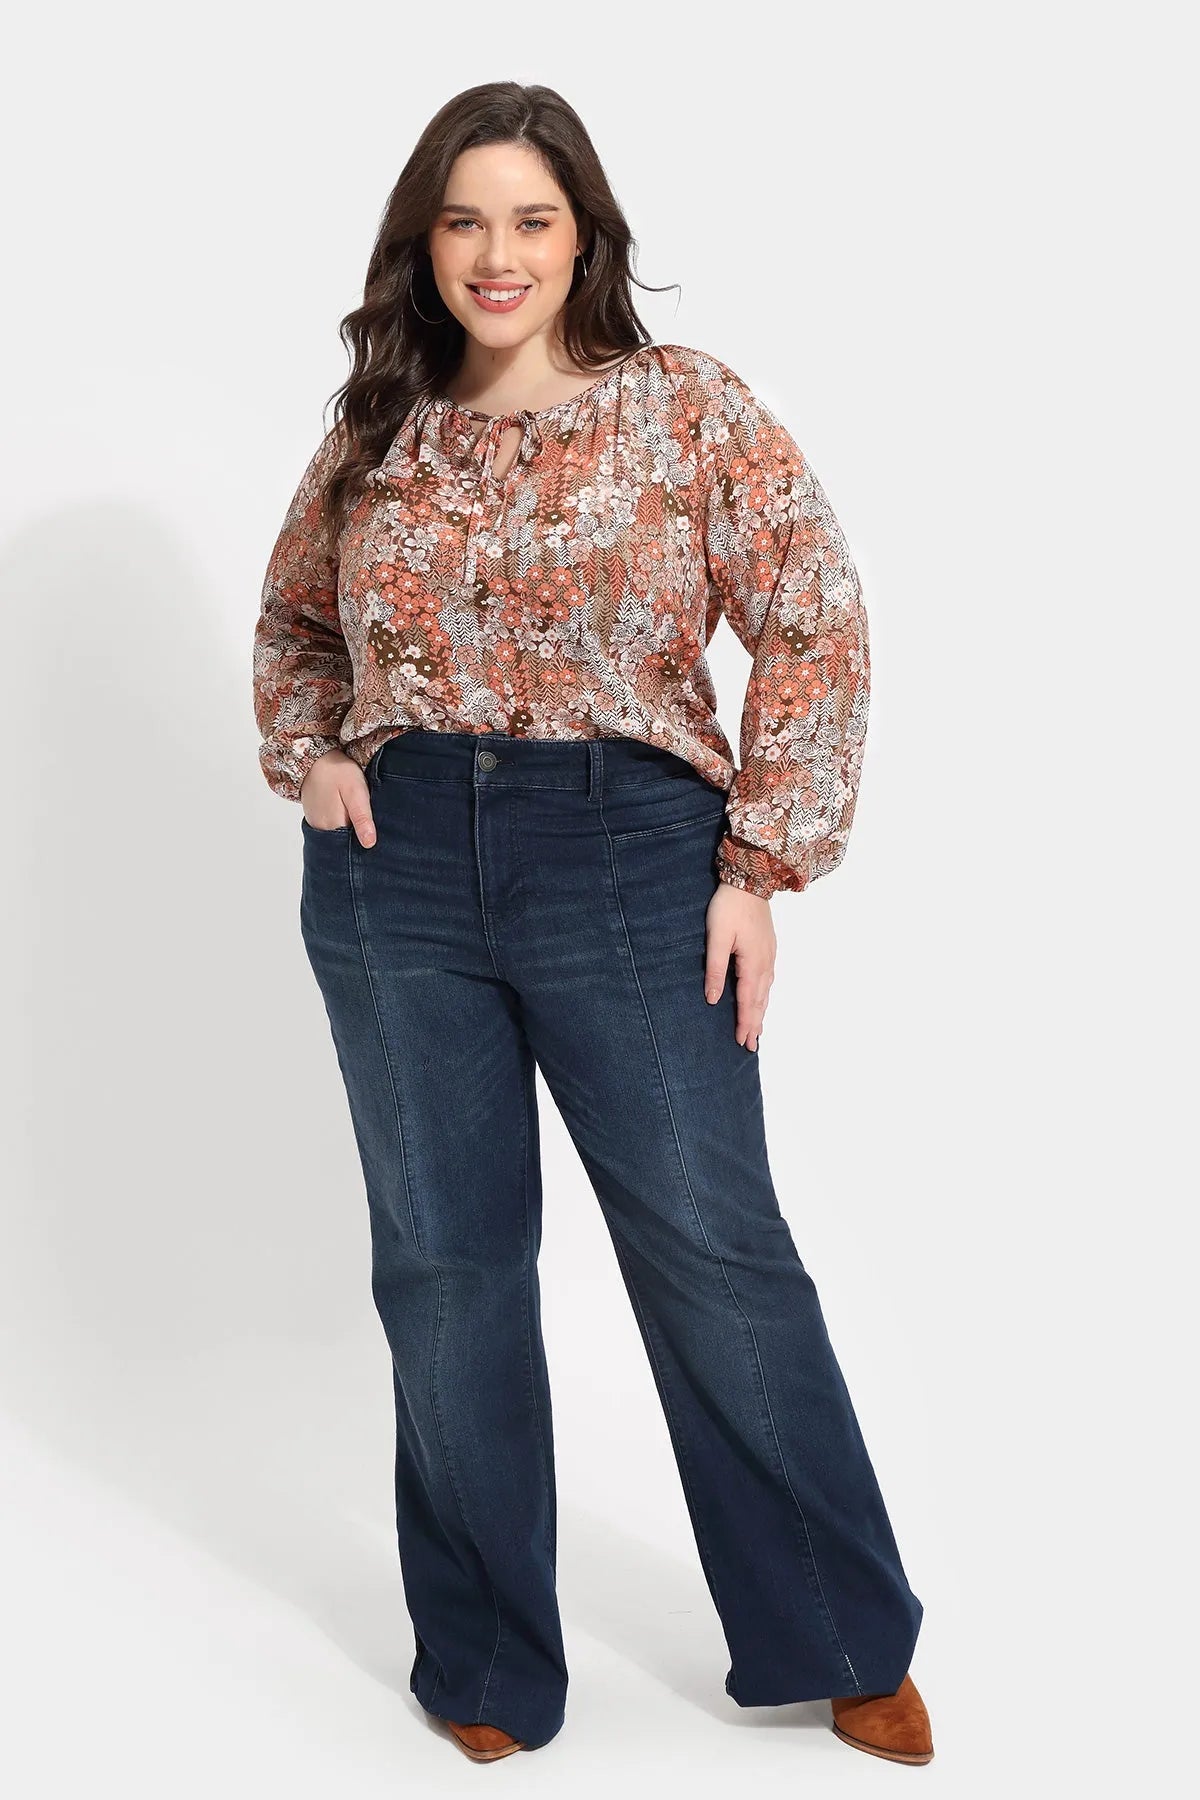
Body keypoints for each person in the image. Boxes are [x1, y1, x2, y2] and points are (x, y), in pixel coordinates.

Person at [251, 80, 932, 1768]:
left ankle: (838, 1633)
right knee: (446, 1263)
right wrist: (313, 755)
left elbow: (815, 616)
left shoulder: (683, 406)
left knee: (711, 1242)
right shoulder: (377, 432)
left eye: (532, 219)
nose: (498, 254)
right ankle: (485, 1657)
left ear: (584, 238)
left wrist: (759, 866)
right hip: (397, 861)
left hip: (628, 852)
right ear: (425, 242)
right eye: (465, 220)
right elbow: (294, 625)